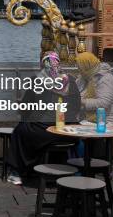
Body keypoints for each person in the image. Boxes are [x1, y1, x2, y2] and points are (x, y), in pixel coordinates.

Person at [6, 51, 80, 185]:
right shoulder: (71, 81)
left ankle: (17, 171)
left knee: (19, 131)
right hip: (67, 131)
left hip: (44, 130)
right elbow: (76, 107)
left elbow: (25, 107)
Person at [76, 51, 113, 127]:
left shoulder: (106, 78)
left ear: (86, 65)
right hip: (87, 118)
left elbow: (103, 103)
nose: (78, 69)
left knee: (80, 131)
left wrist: (81, 102)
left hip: (109, 119)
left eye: (80, 67)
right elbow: (76, 93)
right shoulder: (83, 77)